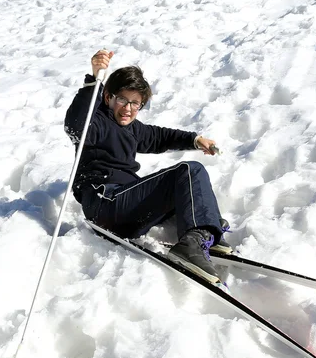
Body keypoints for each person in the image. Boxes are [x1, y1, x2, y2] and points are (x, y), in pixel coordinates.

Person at [65, 50, 231, 289]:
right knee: (189, 171)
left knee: (188, 193)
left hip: (126, 204)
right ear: (108, 97)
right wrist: (93, 81)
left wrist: (195, 140)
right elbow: (76, 126)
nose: (128, 109)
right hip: (105, 202)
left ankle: (205, 232)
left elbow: (160, 136)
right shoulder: (97, 122)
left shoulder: (132, 128)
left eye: (136, 103)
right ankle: (194, 241)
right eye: (122, 99)